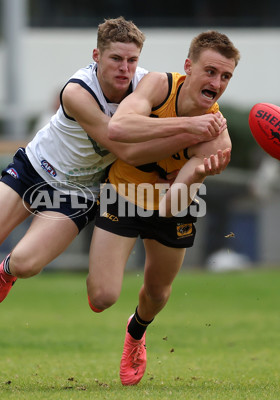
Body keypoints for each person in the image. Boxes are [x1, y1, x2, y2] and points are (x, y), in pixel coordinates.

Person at [0, 17, 227, 319]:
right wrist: (188, 131)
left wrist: (193, 150)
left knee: (26, 264)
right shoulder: (78, 92)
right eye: (116, 59)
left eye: (132, 60)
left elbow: (176, 111)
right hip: (35, 170)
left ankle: (6, 272)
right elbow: (125, 148)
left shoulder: (146, 86)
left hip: (79, 193)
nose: (125, 68)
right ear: (97, 57)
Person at [85, 30, 240, 385]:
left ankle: (136, 333)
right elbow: (120, 127)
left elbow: (171, 206)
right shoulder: (159, 85)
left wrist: (198, 173)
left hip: (171, 208)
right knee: (101, 297)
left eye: (226, 76)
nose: (217, 82)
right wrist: (189, 125)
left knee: (157, 293)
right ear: (188, 67)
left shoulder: (218, 138)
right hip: (121, 194)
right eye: (211, 71)